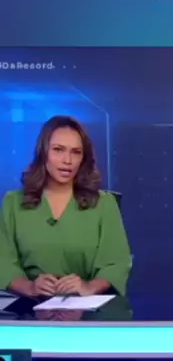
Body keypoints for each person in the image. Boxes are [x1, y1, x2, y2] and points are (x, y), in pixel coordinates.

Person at [0, 115, 132, 298]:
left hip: (88, 310)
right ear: (43, 152)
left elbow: (116, 263)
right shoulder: (13, 203)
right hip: (29, 310)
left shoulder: (104, 204)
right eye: (58, 150)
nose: (67, 160)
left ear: (83, 158)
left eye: (76, 152)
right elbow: (4, 263)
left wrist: (88, 286)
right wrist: (30, 287)